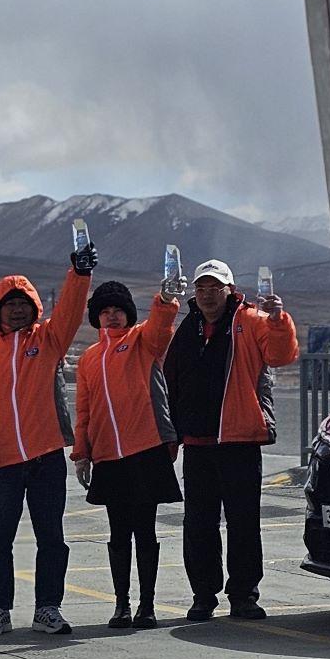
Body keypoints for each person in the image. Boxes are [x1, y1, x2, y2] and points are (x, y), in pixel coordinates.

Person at [0, 239, 95, 637]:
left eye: (23, 303)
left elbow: (69, 312)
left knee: (52, 537)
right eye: (9, 303)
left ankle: (48, 607)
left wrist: (80, 274)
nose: (17, 309)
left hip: (45, 456)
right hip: (2, 462)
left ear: (34, 307)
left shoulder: (48, 341)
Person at [163, 259, 298, 621]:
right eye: (201, 288)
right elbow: (170, 377)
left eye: (214, 288)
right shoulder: (188, 326)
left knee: (243, 522)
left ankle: (244, 595)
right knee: (198, 523)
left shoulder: (251, 320)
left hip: (239, 439)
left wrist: (278, 320)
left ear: (230, 290)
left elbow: (281, 355)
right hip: (198, 442)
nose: (207, 295)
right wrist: (172, 433)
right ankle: (203, 595)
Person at [72, 273, 184, 629]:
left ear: (129, 314)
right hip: (108, 456)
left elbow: (161, 327)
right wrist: (82, 452)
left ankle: (147, 605)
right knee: (118, 533)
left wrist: (165, 301)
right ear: (96, 318)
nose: (112, 316)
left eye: (118, 310)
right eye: (105, 311)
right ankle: (122, 604)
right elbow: (84, 408)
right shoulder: (89, 358)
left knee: (145, 531)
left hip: (144, 450)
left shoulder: (142, 341)